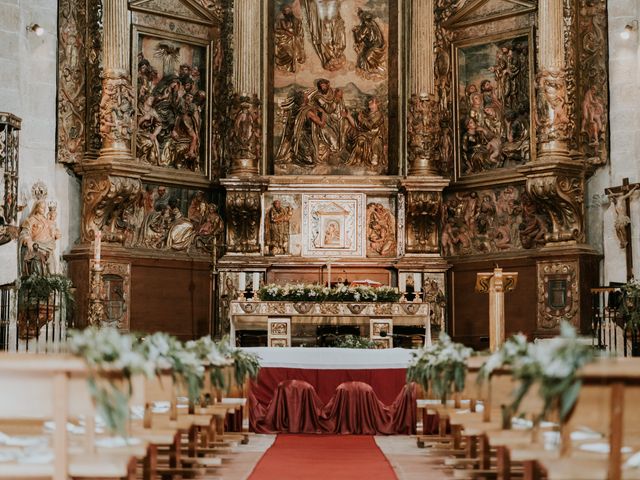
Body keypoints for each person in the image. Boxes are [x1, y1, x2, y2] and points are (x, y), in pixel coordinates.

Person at [19, 200, 61, 276]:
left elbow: (51, 232)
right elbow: (24, 233)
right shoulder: (31, 220)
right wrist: (28, 241)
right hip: (38, 248)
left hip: (49, 248)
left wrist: (56, 234)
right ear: (36, 208)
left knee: (52, 273)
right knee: (39, 274)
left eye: (44, 208)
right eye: (42, 208)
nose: (44, 210)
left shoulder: (47, 220)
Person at [352, 9, 386, 77]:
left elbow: (359, 39)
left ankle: (369, 71)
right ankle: (368, 71)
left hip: (374, 46)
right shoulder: (373, 23)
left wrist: (355, 32)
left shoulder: (366, 26)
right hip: (375, 45)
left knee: (365, 58)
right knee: (361, 57)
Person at [274, 5, 305, 73]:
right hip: (284, 40)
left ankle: (291, 68)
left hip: (294, 41)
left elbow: (300, 33)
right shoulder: (280, 21)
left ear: (291, 11)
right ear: (283, 12)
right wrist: (285, 32)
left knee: (293, 54)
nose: (286, 12)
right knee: (288, 53)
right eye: (285, 11)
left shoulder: (297, 20)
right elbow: (276, 31)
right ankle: (285, 68)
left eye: (288, 10)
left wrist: (296, 37)